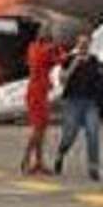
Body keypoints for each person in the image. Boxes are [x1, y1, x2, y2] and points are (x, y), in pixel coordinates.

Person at [54, 33, 103, 181]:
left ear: (90, 44)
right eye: (81, 43)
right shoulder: (69, 59)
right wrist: (74, 65)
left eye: (86, 43)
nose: (83, 46)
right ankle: (60, 154)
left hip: (90, 103)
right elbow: (62, 80)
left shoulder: (94, 61)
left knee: (93, 133)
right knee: (69, 135)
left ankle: (93, 167)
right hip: (73, 102)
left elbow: (100, 80)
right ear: (77, 44)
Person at [20, 30, 65, 175]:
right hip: (38, 92)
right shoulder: (47, 50)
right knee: (39, 129)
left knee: (41, 128)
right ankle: (26, 159)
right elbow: (61, 60)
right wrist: (59, 48)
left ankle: (38, 162)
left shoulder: (32, 48)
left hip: (36, 90)